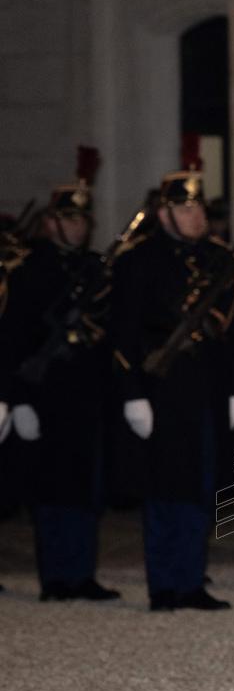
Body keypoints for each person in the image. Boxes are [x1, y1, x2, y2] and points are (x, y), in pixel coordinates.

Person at [111, 163, 234, 611]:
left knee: (202, 486)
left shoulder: (217, 259)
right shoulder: (138, 262)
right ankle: (164, 585)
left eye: (199, 207)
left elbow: (231, 333)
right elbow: (121, 334)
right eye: (184, 208)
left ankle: (190, 580)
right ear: (164, 214)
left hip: (205, 391)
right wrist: (133, 395)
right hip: (160, 392)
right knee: (165, 489)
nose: (195, 216)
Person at [0, 148, 120, 602]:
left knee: (86, 490)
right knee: (50, 491)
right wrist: (20, 400)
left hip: (86, 392)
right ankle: (55, 577)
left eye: (82, 219)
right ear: (51, 220)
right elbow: (12, 340)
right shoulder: (31, 269)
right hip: (45, 393)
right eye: (68, 219)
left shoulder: (92, 267)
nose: (77, 226)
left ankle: (82, 573)